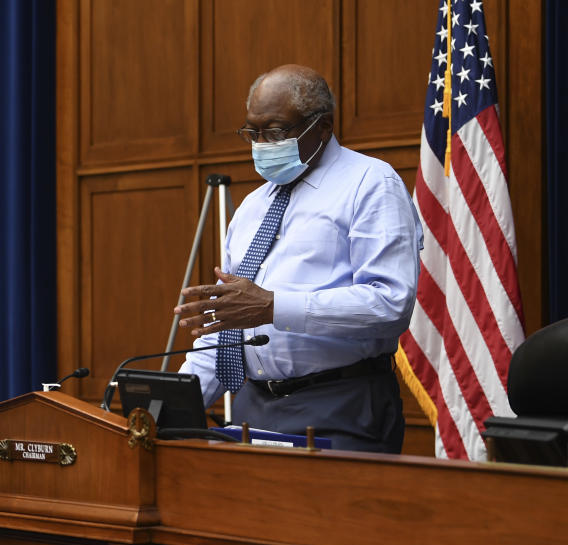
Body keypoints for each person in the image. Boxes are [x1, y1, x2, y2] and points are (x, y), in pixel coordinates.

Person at [174, 64, 422, 453]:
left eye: (274, 132)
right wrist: (169, 408)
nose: (260, 144)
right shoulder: (253, 207)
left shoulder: (371, 183)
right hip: (252, 410)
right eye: (251, 132)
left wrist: (273, 306)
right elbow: (231, 327)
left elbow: (390, 304)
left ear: (322, 127)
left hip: (341, 406)